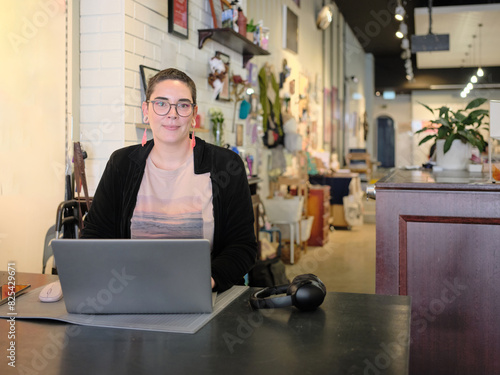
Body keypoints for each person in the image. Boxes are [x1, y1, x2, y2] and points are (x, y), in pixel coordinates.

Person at [82, 68, 257, 292]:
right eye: (161, 103)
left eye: (183, 105)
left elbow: (243, 246)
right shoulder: (122, 164)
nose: (172, 114)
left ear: (194, 114)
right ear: (146, 110)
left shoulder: (226, 165)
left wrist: (207, 281)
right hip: (132, 293)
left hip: (203, 295)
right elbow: (96, 236)